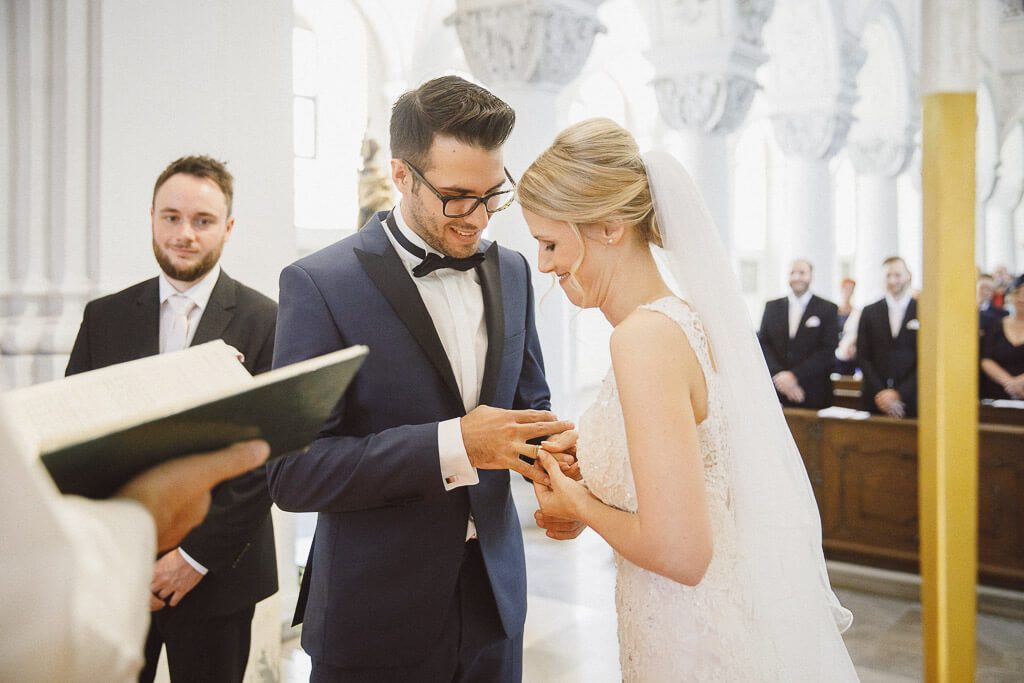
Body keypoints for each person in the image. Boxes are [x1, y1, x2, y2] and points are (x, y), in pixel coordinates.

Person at [518, 118, 856, 681]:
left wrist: (577, 504)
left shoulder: (642, 338)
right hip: (693, 615)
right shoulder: (685, 322)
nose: (545, 264)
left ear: (608, 227)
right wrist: (594, 473)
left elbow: (681, 553)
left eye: (551, 243)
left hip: (688, 637)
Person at [266, 75, 577, 682]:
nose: (479, 219)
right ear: (402, 175)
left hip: (495, 603)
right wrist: (456, 444)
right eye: (457, 196)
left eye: (494, 195)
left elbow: (530, 410)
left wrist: (559, 481)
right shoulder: (319, 286)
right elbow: (292, 473)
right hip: (374, 617)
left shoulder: (511, 271)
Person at [66, 155, 278, 683]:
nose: (184, 233)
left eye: (203, 221)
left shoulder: (266, 320)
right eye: (171, 216)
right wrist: (117, 553)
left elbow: (271, 455)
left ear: (227, 229)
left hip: (220, 571)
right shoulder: (104, 317)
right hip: (118, 573)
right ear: (153, 218)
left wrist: (195, 557)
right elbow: (75, 438)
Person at [0, 385, 269, 683]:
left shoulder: (267, 335)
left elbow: (271, 440)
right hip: (114, 563)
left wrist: (192, 558)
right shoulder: (99, 334)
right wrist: (132, 558)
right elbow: (70, 418)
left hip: (216, 575)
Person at [757, 260, 839, 409]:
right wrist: (780, 377)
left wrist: (794, 376)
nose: (797, 277)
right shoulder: (771, 307)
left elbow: (827, 350)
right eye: (792, 273)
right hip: (777, 390)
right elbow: (763, 343)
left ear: (811, 276)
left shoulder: (828, 308)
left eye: (802, 273)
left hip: (813, 391)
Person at [856, 256, 918, 418]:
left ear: (908, 276)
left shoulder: (922, 310)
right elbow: (863, 355)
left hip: (911, 400)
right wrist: (882, 393)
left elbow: (927, 359)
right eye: (888, 276)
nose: (892, 280)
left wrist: (899, 393)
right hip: (874, 398)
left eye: (897, 275)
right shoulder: (869, 311)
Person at [981, 273, 1024, 400]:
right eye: (1017, 293)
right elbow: (986, 358)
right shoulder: (995, 324)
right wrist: (1009, 382)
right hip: (996, 393)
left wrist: (1019, 383)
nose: (1021, 298)